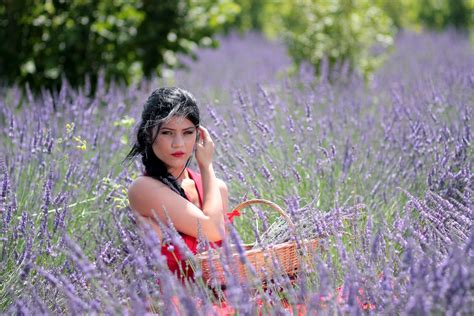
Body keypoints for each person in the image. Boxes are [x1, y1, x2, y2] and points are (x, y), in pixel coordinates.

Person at [124, 87, 230, 280]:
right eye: (167, 132)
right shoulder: (144, 189)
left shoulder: (216, 189)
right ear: (148, 134)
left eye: (188, 132)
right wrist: (207, 166)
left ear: (199, 135)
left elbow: (229, 260)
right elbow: (213, 230)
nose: (178, 143)